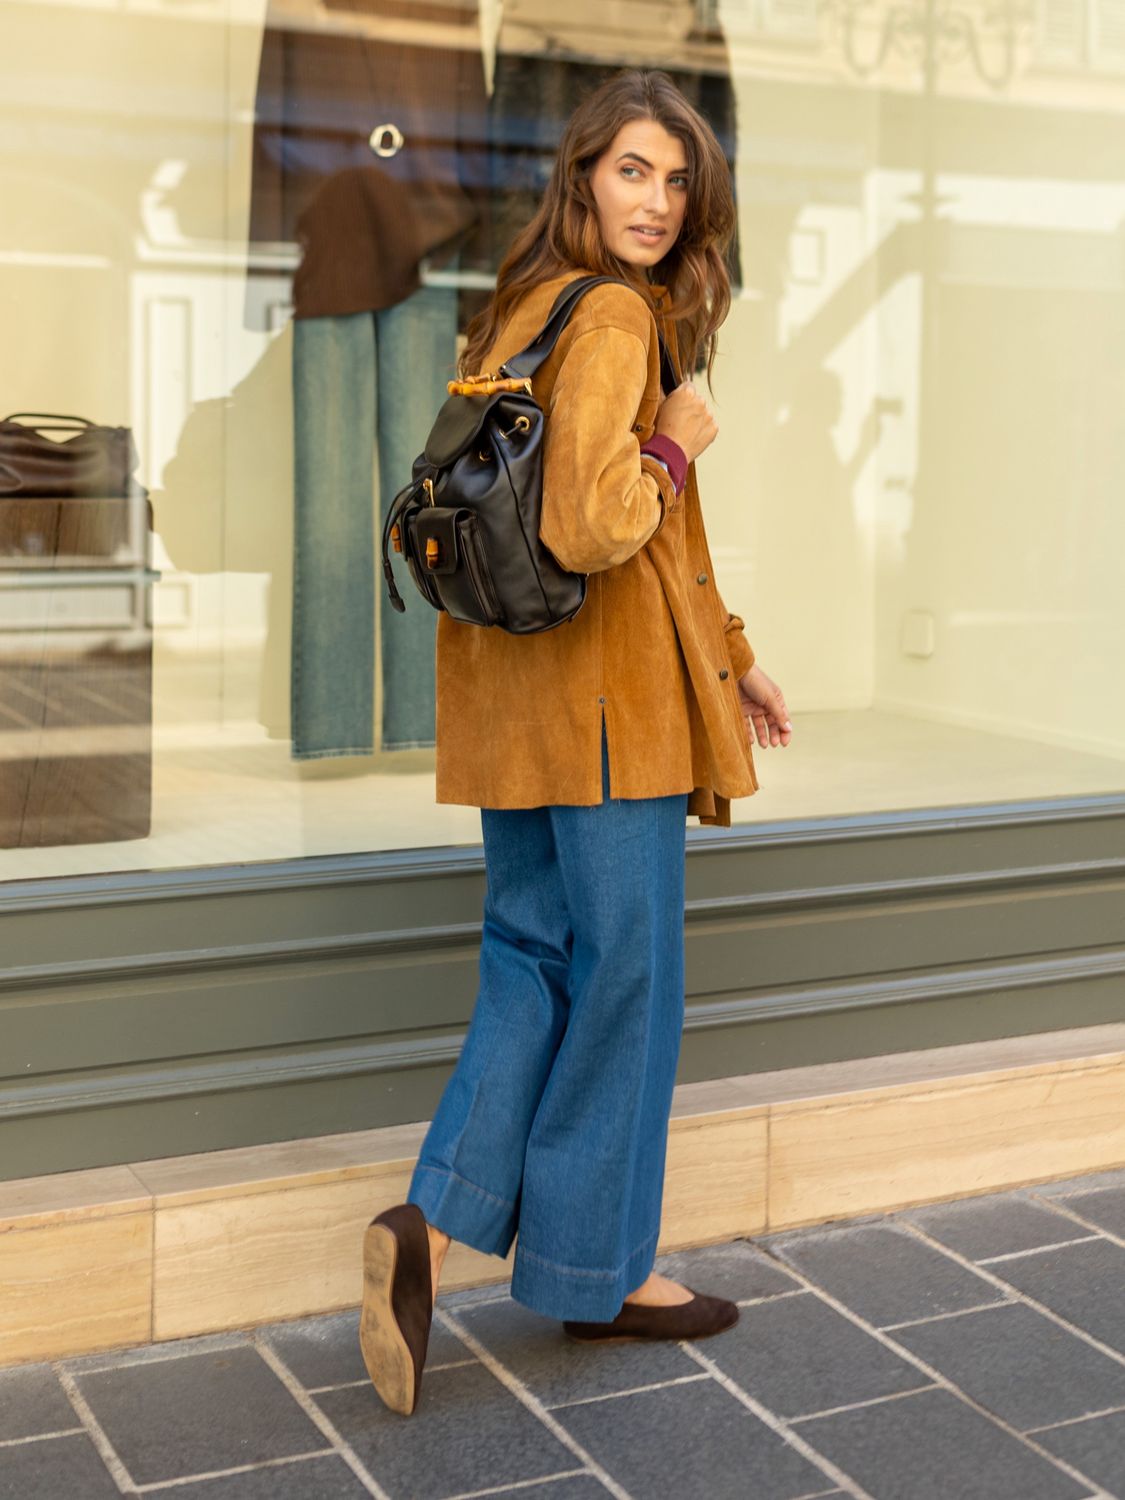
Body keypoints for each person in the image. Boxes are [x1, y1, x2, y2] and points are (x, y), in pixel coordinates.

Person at [359, 67, 792, 1418]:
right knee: (626, 985)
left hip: (515, 706)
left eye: (675, 181)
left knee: (531, 964)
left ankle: (427, 1229)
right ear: (582, 175)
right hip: (609, 722)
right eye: (631, 173)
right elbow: (593, 529)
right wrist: (670, 443)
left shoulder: (520, 303)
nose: (656, 202)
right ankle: (599, 1272)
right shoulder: (614, 319)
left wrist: (734, 654)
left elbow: (629, 552)